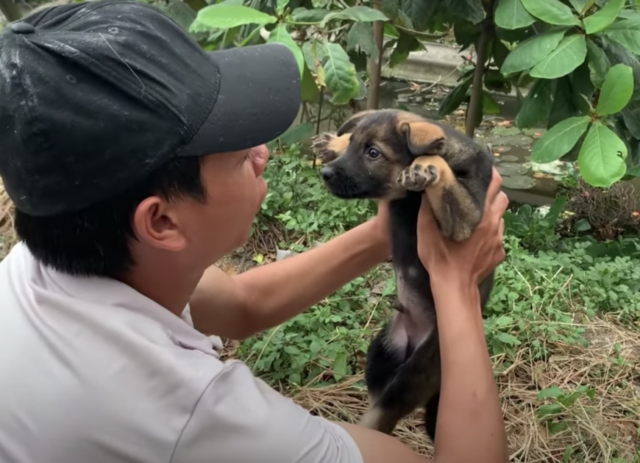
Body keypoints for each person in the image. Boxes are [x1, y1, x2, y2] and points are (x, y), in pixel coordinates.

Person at [0, 0, 509, 462]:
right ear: (161, 220)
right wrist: (456, 286)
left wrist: (384, 236)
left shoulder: (44, 265)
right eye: (240, 153)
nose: (263, 153)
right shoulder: (192, 416)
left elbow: (242, 303)